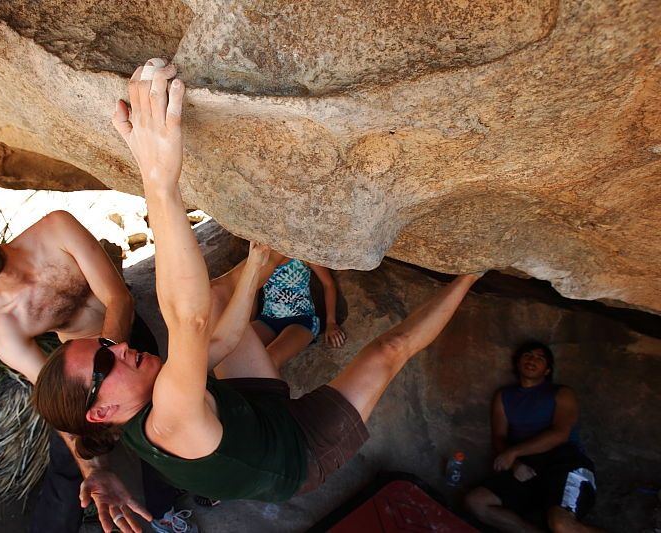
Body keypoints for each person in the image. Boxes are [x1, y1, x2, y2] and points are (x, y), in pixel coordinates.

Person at [31, 58, 481, 528]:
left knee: (220, 301)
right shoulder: (168, 420)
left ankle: (277, 249)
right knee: (389, 350)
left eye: (105, 344)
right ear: (102, 412)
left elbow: (219, 343)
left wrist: (256, 268)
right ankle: (474, 272)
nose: (120, 345)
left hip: (250, 413)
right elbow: (189, 321)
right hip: (298, 454)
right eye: (105, 363)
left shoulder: (152, 395)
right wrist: (157, 175)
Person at [0, 208, 185, 532]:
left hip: (125, 339)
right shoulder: (5, 330)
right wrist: (94, 469)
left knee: (151, 426)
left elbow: (119, 298)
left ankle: (167, 506)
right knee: (69, 450)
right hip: (83, 374)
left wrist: (108, 368)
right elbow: (55, 399)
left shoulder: (55, 229)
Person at [465, 342, 602, 532]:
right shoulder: (504, 396)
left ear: (547, 370)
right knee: (476, 502)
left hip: (565, 463)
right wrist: (515, 464)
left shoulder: (561, 393)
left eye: (540, 358)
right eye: (527, 355)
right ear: (518, 362)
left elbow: (560, 435)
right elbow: (499, 436)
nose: (532, 360)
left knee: (561, 525)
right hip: (528, 467)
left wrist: (513, 452)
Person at [252, 255, 346, 369]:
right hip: (267, 320)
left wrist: (331, 322)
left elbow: (328, 284)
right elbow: (253, 290)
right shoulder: (262, 256)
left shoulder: (303, 254)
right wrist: (249, 323)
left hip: (302, 321)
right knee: (236, 350)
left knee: (269, 359)